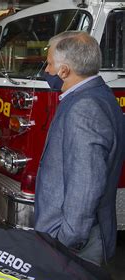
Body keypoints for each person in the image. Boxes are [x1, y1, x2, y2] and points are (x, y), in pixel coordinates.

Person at [35, 31, 125, 265]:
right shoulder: (99, 95)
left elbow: (86, 184)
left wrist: (65, 240)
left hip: (74, 245)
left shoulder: (84, 108)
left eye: (50, 64)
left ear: (64, 71)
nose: (46, 70)